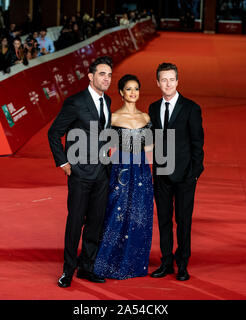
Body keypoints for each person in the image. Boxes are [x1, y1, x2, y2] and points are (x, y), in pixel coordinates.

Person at [48, 56, 113, 288]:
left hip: (102, 173)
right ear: (90, 76)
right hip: (80, 173)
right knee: (75, 222)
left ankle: (87, 267)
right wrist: (63, 163)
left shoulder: (108, 101)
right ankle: (68, 270)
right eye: (102, 74)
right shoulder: (76, 102)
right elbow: (54, 133)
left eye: (109, 75)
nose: (106, 79)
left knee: (95, 222)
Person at [93, 74, 154, 280]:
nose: (133, 93)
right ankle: (108, 261)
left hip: (141, 170)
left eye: (136, 89)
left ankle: (134, 263)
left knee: (139, 214)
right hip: (120, 170)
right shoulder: (113, 118)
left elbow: (151, 147)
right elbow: (103, 147)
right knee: (116, 212)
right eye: (128, 89)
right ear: (121, 92)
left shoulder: (146, 118)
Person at [148, 62, 204, 281]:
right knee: (163, 220)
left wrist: (194, 173)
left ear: (178, 81)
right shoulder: (153, 108)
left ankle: (183, 263)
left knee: (183, 220)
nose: (168, 83)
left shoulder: (191, 108)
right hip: (161, 175)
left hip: (184, 176)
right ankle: (166, 262)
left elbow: (198, 143)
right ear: (158, 82)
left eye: (172, 79)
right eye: (164, 79)